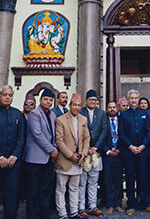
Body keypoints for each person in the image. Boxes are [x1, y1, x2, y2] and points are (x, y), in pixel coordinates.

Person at [0, 85, 26, 219]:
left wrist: (14, 155)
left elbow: (21, 137)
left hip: (13, 164)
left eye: (10, 95)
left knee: (11, 197)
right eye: (5, 95)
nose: (7, 97)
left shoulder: (18, 114)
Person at [55, 93, 90, 219]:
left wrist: (83, 154)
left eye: (79, 105)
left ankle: (74, 213)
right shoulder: (61, 120)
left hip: (78, 159)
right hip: (65, 160)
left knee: (74, 188)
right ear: (70, 105)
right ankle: (62, 214)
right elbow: (59, 141)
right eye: (74, 105)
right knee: (61, 189)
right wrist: (71, 155)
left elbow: (87, 138)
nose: (76, 108)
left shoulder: (83, 119)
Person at [25, 87, 58, 219]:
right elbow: (38, 135)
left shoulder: (53, 114)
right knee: (33, 192)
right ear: (40, 100)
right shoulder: (34, 114)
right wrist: (52, 149)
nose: (48, 102)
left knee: (45, 191)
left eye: (50, 100)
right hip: (35, 160)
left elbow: (54, 135)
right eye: (46, 99)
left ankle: (44, 215)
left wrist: (54, 148)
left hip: (49, 160)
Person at [118, 90, 150, 215]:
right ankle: (131, 204)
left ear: (138, 99)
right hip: (129, 152)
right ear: (128, 99)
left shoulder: (144, 113)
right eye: (131, 98)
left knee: (143, 178)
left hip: (143, 151)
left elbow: (148, 132)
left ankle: (145, 203)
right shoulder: (123, 115)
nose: (133, 100)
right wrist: (130, 146)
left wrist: (143, 145)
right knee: (130, 179)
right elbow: (121, 133)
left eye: (135, 98)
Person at [78, 90, 108, 218]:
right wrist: (87, 148)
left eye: (95, 100)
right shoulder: (80, 112)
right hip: (84, 153)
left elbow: (104, 131)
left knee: (93, 181)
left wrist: (95, 147)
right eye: (90, 100)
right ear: (86, 101)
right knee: (82, 181)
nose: (93, 102)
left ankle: (92, 206)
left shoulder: (101, 114)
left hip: (96, 152)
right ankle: (81, 207)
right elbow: (78, 131)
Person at [103, 101, 124, 214]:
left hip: (119, 154)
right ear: (107, 109)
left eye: (114, 107)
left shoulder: (121, 120)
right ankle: (110, 204)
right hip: (108, 155)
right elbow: (101, 136)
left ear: (117, 108)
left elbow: (125, 135)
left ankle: (118, 204)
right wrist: (108, 151)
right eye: (109, 107)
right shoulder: (104, 121)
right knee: (108, 181)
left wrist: (120, 148)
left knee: (118, 181)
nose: (112, 109)